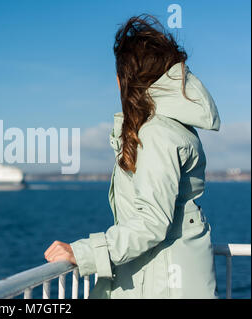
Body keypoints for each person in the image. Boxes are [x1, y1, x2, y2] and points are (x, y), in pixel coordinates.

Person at [44, 15, 219, 298]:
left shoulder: (157, 133)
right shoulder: (172, 126)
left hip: (164, 286)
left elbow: (152, 221)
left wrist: (84, 252)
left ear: (123, 81)